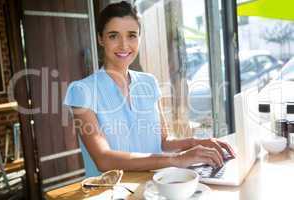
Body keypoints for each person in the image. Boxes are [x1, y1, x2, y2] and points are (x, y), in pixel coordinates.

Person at [64, 1, 235, 177]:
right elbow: (104, 159)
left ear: (139, 37)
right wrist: (176, 160)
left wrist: (196, 143)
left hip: (156, 185)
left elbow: (163, 141)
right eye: (113, 36)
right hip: (112, 193)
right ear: (101, 38)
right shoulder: (81, 91)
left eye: (131, 35)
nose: (124, 45)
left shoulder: (149, 83)